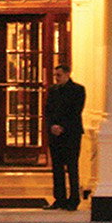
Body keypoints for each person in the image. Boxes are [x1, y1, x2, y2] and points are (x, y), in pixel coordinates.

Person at [42, 64, 85, 211]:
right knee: (57, 167)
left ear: (67, 74)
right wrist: (52, 126)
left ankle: (73, 199)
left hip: (71, 134)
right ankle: (59, 199)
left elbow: (75, 111)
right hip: (55, 134)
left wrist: (62, 127)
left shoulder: (78, 90)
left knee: (72, 166)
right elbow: (48, 110)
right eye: (55, 75)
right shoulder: (53, 90)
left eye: (59, 75)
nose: (56, 78)